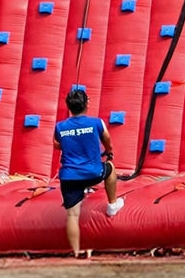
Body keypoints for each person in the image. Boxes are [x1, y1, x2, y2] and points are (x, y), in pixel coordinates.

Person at [53, 88, 124, 257]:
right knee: (110, 168)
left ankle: (77, 253)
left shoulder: (60, 126)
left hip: (69, 176)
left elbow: (57, 145)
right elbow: (107, 139)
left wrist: (70, 142)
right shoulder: (97, 123)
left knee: (72, 215)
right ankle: (112, 205)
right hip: (93, 173)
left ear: (68, 106)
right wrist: (109, 151)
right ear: (87, 104)